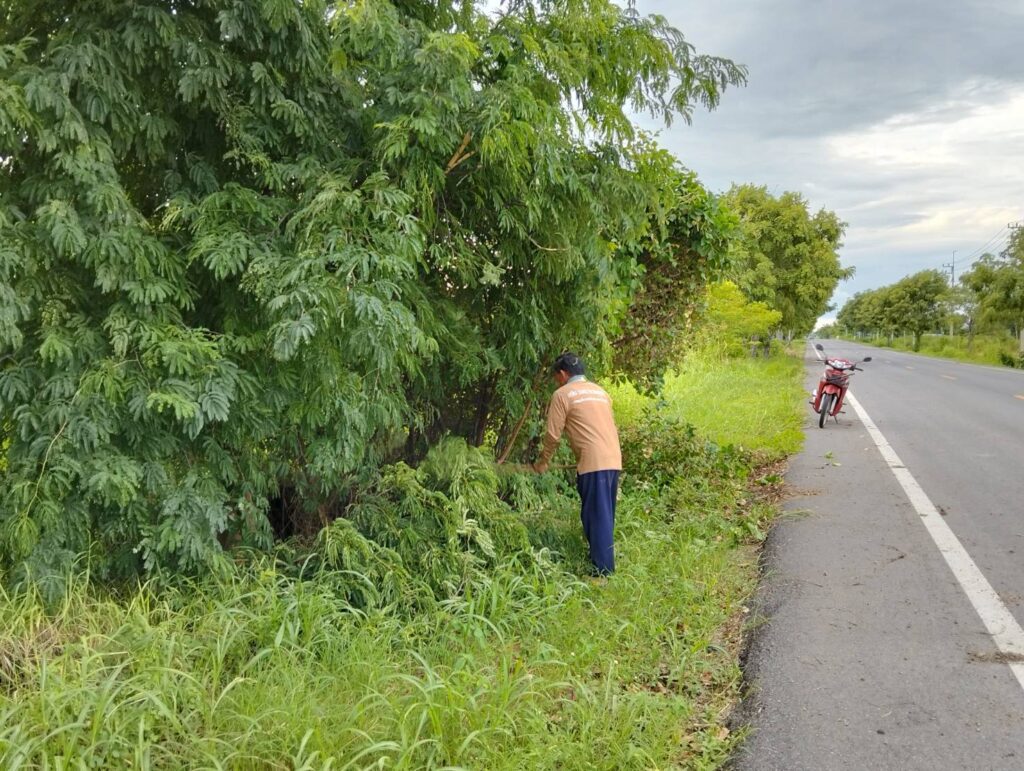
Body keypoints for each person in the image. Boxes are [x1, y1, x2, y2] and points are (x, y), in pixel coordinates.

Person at [533, 351, 622, 575]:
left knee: (596, 516)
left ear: (563, 374)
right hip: (613, 458)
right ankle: (599, 561)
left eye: (557, 377)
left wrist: (543, 461)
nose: (557, 382)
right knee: (604, 514)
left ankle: (603, 572)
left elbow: (553, 435)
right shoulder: (601, 392)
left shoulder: (562, 395)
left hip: (594, 462)